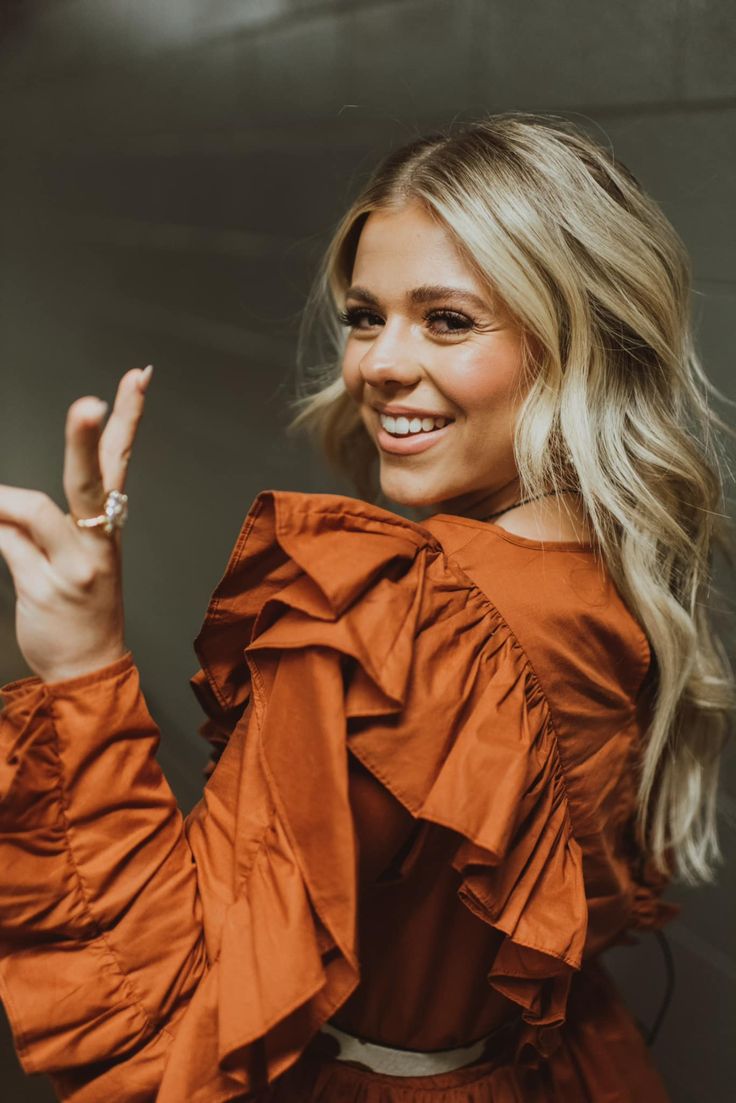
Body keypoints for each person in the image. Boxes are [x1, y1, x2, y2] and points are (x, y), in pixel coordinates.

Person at [0, 111, 733, 1102]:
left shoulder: (408, 620)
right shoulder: (608, 561)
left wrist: (82, 665)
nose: (379, 364)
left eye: (448, 319)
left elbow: (169, 1016)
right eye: (363, 314)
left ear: (583, 341)